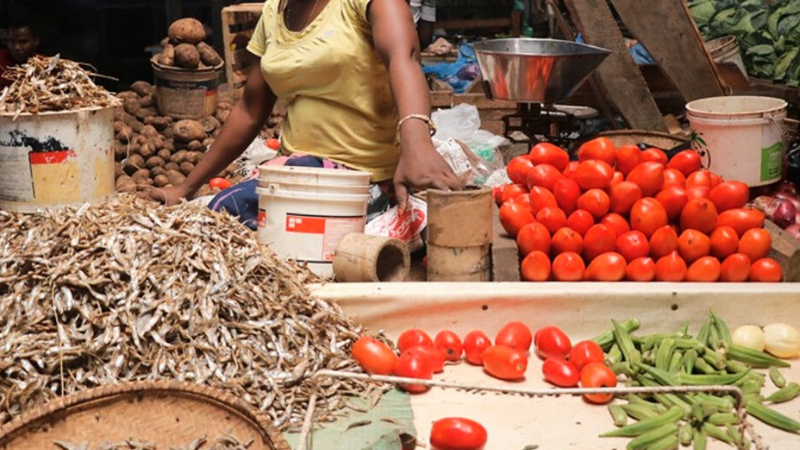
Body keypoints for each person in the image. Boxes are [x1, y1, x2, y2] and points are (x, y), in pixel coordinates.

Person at [150, 0, 462, 224]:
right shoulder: (274, 11)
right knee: (200, 225)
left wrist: (417, 142)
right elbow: (249, 110)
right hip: (292, 176)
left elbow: (403, 57)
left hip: (357, 183)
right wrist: (185, 188)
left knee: (224, 220)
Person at [0, 14, 42, 88]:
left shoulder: (45, 65)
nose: (16, 47)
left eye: (23, 42)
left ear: (35, 41)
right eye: (12, 41)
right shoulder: (1, 59)